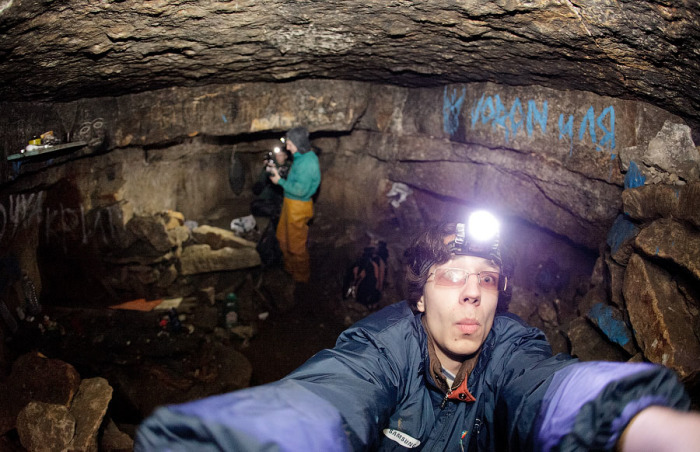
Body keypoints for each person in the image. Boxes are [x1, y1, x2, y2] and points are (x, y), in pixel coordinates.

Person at [135, 210, 700, 451]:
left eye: (486, 278)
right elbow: (332, 397)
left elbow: (546, 387)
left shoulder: (510, 347)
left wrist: (641, 426)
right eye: (450, 276)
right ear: (419, 293)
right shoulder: (384, 347)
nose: (472, 292)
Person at [268, 126, 321, 283]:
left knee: (296, 245)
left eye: (290, 143)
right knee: (283, 237)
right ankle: (289, 268)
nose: (287, 147)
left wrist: (280, 181)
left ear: (298, 143)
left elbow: (301, 191)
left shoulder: (308, 162)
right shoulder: (300, 157)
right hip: (290, 203)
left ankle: (301, 277)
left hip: (298, 206)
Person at [250, 146, 292, 219]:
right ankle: (275, 211)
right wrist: (266, 169)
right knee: (255, 206)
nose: (278, 157)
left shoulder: (290, 166)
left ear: (286, 156)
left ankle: (278, 211)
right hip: (271, 192)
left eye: (280, 155)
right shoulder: (271, 165)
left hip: (284, 193)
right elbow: (262, 180)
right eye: (277, 155)